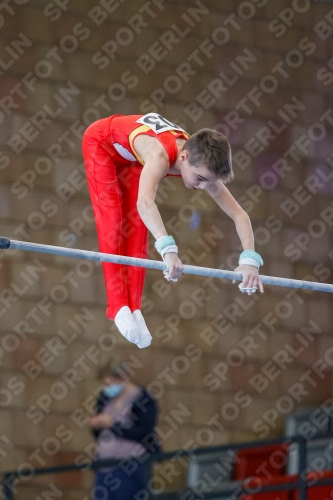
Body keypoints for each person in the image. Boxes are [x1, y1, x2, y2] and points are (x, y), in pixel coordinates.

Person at [82, 113, 264, 349]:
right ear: (184, 156)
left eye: (208, 182)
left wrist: (250, 259)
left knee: (137, 225)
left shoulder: (199, 162)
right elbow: (146, 202)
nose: (201, 187)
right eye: (199, 179)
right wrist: (168, 250)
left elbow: (239, 214)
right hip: (102, 144)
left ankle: (134, 308)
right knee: (114, 219)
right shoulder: (158, 156)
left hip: (132, 157)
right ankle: (117, 307)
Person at [89, 357, 160, 500]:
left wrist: (112, 425)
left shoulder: (142, 399)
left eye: (110, 383)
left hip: (131, 466)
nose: (107, 388)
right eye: (105, 384)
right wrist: (96, 425)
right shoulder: (104, 398)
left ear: (122, 377)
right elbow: (100, 433)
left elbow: (145, 432)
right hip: (105, 465)